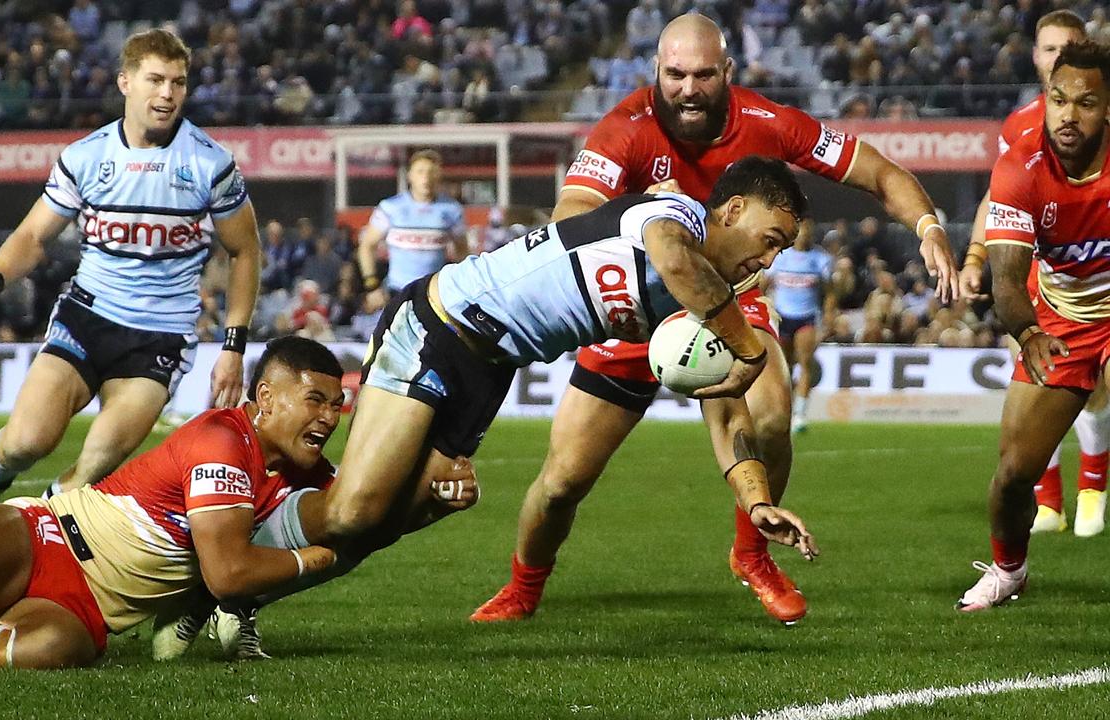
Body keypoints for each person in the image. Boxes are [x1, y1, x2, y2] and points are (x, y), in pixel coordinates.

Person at [471, 14, 956, 626]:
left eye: (703, 74)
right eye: (675, 74)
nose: (688, 88)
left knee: (773, 416)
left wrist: (929, 226)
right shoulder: (627, 126)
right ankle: (523, 586)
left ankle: (752, 554)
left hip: (731, 299)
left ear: (727, 71)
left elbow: (880, 172)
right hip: (635, 311)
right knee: (562, 482)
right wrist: (635, 210)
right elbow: (572, 213)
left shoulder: (770, 124)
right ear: (657, 71)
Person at [275, 159, 821, 630]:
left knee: (394, 519)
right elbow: (674, 258)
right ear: (732, 211)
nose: (770, 260)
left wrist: (757, 503)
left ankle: (247, 586)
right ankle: (227, 553)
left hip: (490, 369)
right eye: (770, 240)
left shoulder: (713, 299)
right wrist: (748, 346)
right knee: (354, 513)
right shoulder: (676, 217)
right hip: (441, 325)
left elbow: (727, 416)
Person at [0, 338, 343, 669]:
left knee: (51, 650)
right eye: (315, 401)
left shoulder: (308, 471)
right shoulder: (222, 441)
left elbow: (367, 499)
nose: (328, 417)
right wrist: (304, 560)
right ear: (267, 397)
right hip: (47, 537)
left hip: (84, 608)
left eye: (337, 405)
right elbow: (228, 574)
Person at [0, 28, 261, 528]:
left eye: (178, 83)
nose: (167, 94)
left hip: (160, 335)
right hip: (87, 317)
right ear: (125, 82)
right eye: (155, 80)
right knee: (27, 442)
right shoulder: (86, 157)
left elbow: (245, 251)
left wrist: (234, 346)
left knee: (92, 466)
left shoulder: (210, 163)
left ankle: (25, 532)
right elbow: (34, 235)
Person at [957, 40, 1110, 612]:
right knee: (1013, 477)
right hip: (1060, 323)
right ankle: (1008, 571)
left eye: (1087, 103)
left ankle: (1094, 493)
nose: (1069, 114)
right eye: (1059, 99)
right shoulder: (1019, 168)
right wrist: (1027, 334)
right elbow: (1007, 280)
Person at [357, 150, 466, 315]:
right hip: (397, 291)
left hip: (434, 294)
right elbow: (367, 246)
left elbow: (462, 251)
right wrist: (372, 285)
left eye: (431, 172)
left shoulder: (451, 210)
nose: (426, 178)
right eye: (420, 171)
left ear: (438, 176)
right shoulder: (391, 207)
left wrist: (459, 285)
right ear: (410, 175)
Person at [764, 219, 833, 434]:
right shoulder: (779, 258)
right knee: (785, 367)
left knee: (805, 364)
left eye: (808, 231)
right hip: (782, 317)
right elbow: (763, 286)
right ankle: (785, 410)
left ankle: (800, 415)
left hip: (807, 317)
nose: (804, 235)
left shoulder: (821, 259)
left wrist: (829, 315)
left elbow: (829, 292)